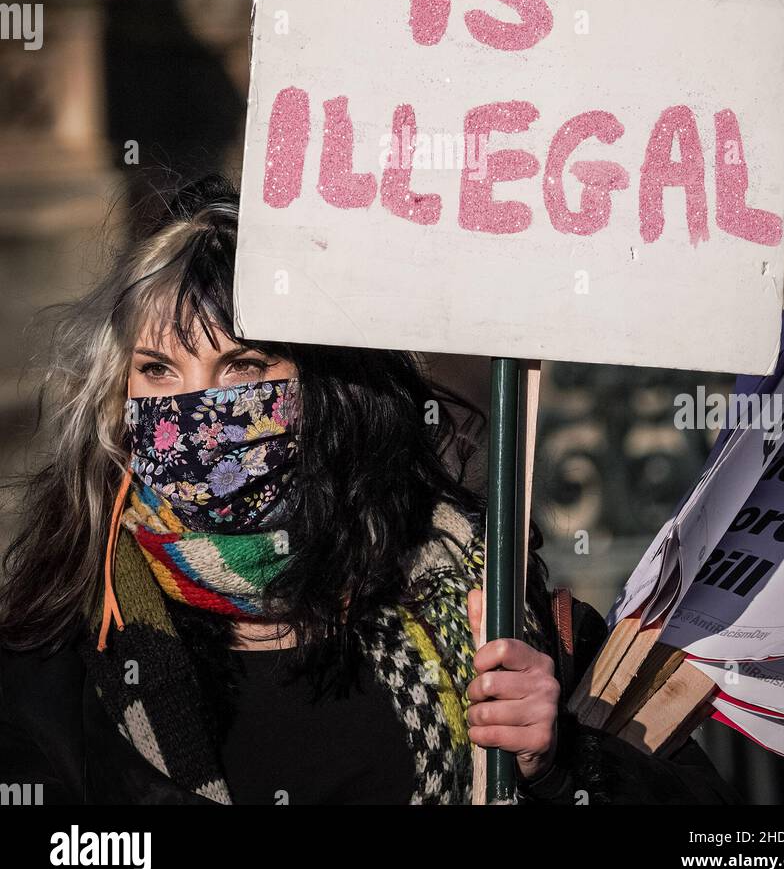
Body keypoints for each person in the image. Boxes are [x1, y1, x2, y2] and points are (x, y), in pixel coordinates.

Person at [0, 176, 737, 805]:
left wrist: (564, 764)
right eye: (159, 370)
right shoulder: (66, 650)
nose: (198, 408)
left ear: (332, 393)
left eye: (245, 367)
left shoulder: (490, 598)